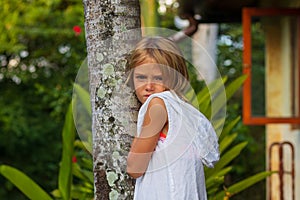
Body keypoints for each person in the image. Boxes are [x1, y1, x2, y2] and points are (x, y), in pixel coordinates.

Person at [126, 37, 219, 200]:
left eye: (158, 78)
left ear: (175, 78)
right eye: (141, 77)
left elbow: (135, 167)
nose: (149, 86)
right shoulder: (184, 110)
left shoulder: (157, 105)